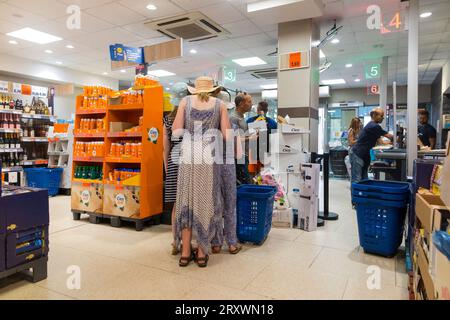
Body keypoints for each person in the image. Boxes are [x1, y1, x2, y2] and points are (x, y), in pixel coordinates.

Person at [172, 76, 232, 268]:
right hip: (208, 158)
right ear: (213, 89)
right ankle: (201, 253)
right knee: (205, 203)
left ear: (194, 90)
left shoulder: (185, 102)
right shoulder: (219, 105)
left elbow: (176, 131)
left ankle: (185, 252)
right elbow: (226, 135)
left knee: (187, 203)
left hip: (188, 157)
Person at [210, 90, 242, 255]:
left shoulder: (209, 126)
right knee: (230, 205)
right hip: (228, 167)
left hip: (212, 167)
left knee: (215, 205)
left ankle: (215, 243)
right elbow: (238, 154)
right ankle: (231, 243)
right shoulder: (234, 126)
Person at [163, 82, 188, 255]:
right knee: (188, 204)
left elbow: (166, 147)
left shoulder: (168, 119)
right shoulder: (191, 116)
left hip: (173, 163)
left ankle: (175, 241)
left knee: (175, 206)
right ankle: (189, 240)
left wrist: (167, 167)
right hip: (190, 162)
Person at [349, 108, 393, 183]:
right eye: (381, 116)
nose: (383, 118)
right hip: (358, 154)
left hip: (363, 155)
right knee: (357, 180)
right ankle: (356, 194)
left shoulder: (373, 127)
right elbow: (390, 136)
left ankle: (362, 194)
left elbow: (380, 142)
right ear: (374, 115)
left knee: (364, 179)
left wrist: (391, 144)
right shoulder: (374, 126)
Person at [229, 93, 255, 185]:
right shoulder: (233, 118)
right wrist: (250, 138)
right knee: (244, 185)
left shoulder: (241, 118)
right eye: (249, 101)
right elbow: (232, 140)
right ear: (241, 103)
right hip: (238, 159)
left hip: (244, 157)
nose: (251, 104)